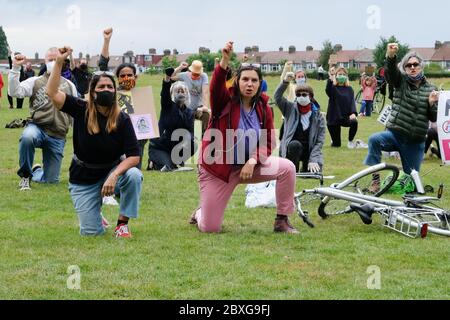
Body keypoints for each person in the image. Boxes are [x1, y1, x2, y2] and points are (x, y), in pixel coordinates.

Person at [191, 41, 298, 234]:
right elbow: (215, 87)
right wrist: (224, 60)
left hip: (249, 166)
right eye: (245, 79)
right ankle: (200, 213)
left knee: (287, 168)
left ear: (260, 84)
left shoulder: (264, 108)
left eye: (254, 80)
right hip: (219, 170)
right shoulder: (224, 102)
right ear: (237, 81)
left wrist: (252, 160)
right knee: (210, 228)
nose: (249, 84)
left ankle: (282, 220)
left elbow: (268, 142)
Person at [46, 46, 143, 238]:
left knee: (133, 175)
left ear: (115, 91)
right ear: (93, 90)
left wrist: (114, 175)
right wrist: (58, 62)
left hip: (111, 171)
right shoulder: (80, 108)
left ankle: (122, 225)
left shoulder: (123, 118)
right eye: (101, 87)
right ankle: (96, 214)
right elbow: (52, 92)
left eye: (109, 87)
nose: (106, 90)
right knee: (91, 233)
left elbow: (134, 156)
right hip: (83, 176)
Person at [364, 44, 439, 192]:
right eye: (408, 65)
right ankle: (375, 181)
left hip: (416, 141)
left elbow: (434, 117)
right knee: (374, 139)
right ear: (404, 68)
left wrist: (431, 103)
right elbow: (391, 73)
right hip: (396, 134)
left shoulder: (431, 89)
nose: (412, 67)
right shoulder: (400, 81)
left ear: (421, 66)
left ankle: (400, 170)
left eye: (415, 64)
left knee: (411, 181)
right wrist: (390, 56)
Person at [8, 48, 78, 191]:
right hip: (38, 127)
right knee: (27, 137)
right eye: (49, 60)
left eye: (55, 59)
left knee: (51, 181)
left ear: (62, 61)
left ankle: (37, 171)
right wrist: (15, 68)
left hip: (58, 135)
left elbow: (76, 113)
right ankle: (25, 176)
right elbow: (14, 92)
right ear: (45, 62)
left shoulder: (70, 85)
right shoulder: (35, 81)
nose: (52, 62)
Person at [98, 28, 149, 170]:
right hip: (114, 137)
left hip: (137, 140)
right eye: (122, 76)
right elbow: (102, 67)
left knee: (133, 171)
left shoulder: (142, 97)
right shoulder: (111, 94)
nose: (126, 78)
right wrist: (106, 41)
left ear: (136, 77)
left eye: (129, 75)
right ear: (117, 78)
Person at [275, 73, 325, 173]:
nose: (301, 97)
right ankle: (292, 169)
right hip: (292, 149)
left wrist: (314, 159)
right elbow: (277, 97)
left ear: (310, 96)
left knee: (312, 173)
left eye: (304, 94)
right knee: (295, 145)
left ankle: (306, 166)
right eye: (298, 94)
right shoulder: (289, 108)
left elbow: (319, 141)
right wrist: (285, 82)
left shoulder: (319, 116)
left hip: (309, 151)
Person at [147, 74, 196, 172]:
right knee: (168, 168)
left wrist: (188, 139)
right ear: (172, 93)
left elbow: (191, 131)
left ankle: (176, 161)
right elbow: (164, 95)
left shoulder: (189, 112)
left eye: (183, 91)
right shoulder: (167, 106)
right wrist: (167, 81)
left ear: (187, 94)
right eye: (178, 91)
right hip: (160, 147)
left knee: (193, 145)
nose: (181, 93)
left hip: (174, 148)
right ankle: (153, 162)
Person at [172, 60, 211, 136]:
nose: (196, 75)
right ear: (190, 70)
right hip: (186, 107)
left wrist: (204, 107)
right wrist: (180, 67)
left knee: (206, 115)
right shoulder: (185, 75)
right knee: (190, 129)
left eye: (197, 74)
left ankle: (203, 138)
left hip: (198, 107)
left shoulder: (204, 76)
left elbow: (205, 92)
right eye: (194, 73)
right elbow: (172, 77)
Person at [326, 66, 359, 148]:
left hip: (345, 117)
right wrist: (331, 77)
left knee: (354, 121)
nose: (342, 76)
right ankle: (333, 140)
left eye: (344, 74)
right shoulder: (333, 88)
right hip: (333, 118)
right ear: (336, 76)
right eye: (339, 74)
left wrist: (353, 113)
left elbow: (352, 102)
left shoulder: (349, 89)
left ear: (346, 76)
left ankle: (350, 141)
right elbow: (328, 90)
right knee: (337, 145)